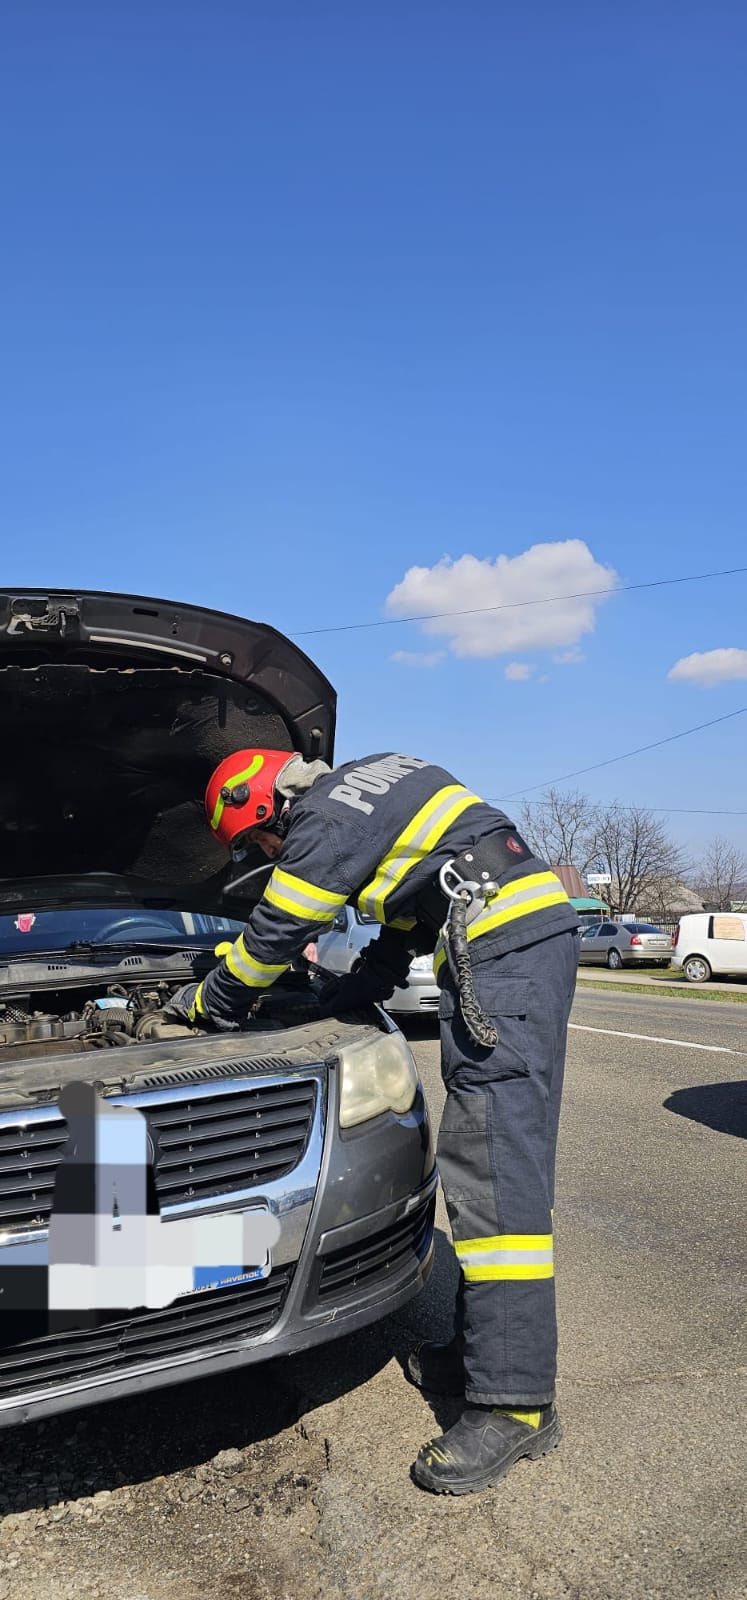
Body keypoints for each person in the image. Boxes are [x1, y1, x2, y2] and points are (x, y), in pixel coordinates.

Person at [170, 747, 579, 1495]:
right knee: (497, 1158)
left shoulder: (323, 816)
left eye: (253, 842)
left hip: (503, 957)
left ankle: (515, 1404)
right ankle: (487, 1348)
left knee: (492, 1171)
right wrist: (343, 994)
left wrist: (210, 1003)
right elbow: (404, 929)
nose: (262, 855)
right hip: (509, 945)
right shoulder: (366, 793)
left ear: (262, 805)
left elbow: (278, 927)